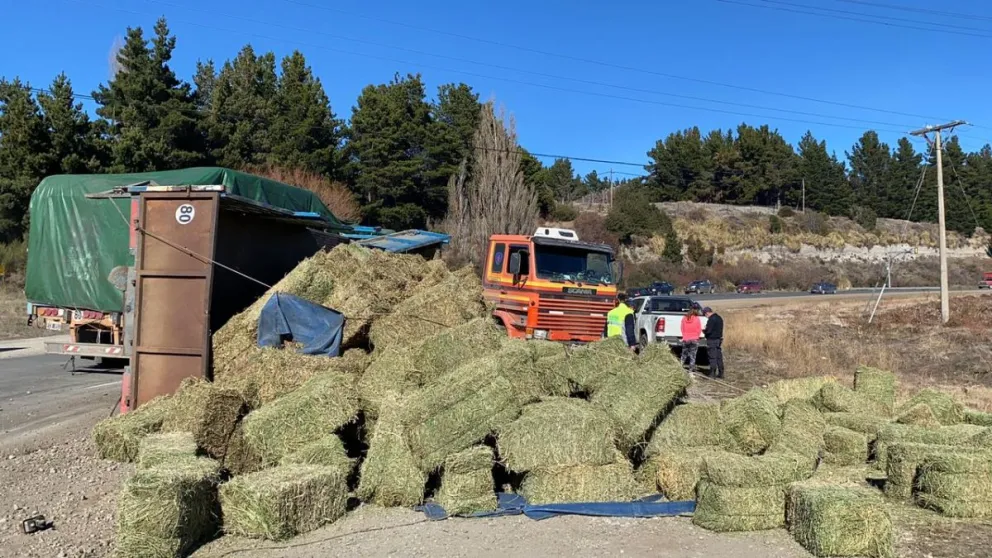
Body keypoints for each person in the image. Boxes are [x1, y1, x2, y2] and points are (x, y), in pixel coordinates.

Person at [702, 307, 724, 378]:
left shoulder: (711, 319)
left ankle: (712, 373)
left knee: (712, 356)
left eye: (705, 315)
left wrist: (704, 331)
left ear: (707, 313)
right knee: (719, 356)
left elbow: (709, 331)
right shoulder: (719, 318)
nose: (706, 316)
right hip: (719, 339)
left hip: (712, 339)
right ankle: (721, 372)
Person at [680, 305, 703, 372]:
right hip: (694, 339)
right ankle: (691, 370)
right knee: (693, 355)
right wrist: (697, 336)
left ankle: (680, 367)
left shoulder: (684, 318)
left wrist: (684, 335)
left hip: (686, 339)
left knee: (684, 354)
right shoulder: (697, 319)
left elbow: (682, 328)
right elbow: (699, 329)